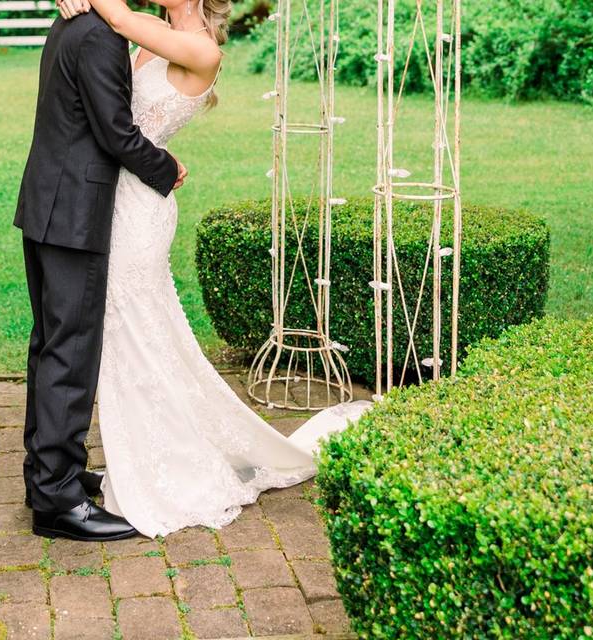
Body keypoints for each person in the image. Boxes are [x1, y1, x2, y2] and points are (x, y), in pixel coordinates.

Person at [51, 0, 371, 539]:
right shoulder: (152, 32)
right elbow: (110, 89)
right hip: (110, 196)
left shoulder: (201, 48)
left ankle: (158, 466)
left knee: (130, 329)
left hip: (142, 207)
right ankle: (136, 457)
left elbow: (119, 21)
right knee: (128, 332)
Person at [14, 0, 188, 541]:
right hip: (75, 214)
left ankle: (48, 473)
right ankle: (59, 502)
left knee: (49, 346)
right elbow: (115, 131)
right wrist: (168, 168)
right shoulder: (101, 37)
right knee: (70, 353)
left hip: (47, 203)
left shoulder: (71, 22)